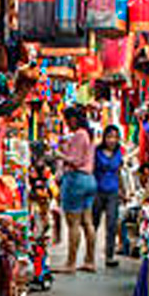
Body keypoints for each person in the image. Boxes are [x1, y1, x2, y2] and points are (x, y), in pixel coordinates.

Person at [58, 104, 97, 273]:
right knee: (87, 222)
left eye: (67, 120)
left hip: (76, 179)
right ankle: (89, 260)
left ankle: (71, 263)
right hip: (89, 180)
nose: (67, 124)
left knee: (73, 223)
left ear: (73, 119)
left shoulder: (79, 135)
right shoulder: (88, 134)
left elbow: (75, 160)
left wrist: (59, 154)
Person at [92, 124, 124, 269]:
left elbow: (119, 172)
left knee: (111, 224)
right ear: (104, 138)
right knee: (94, 224)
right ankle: (89, 255)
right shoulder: (97, 152)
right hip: (97, 191)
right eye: (109, 137)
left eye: (115, 137)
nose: (112, 140)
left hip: (113, 192)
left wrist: (123, 190)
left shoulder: (119, 153)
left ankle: (109, 256)